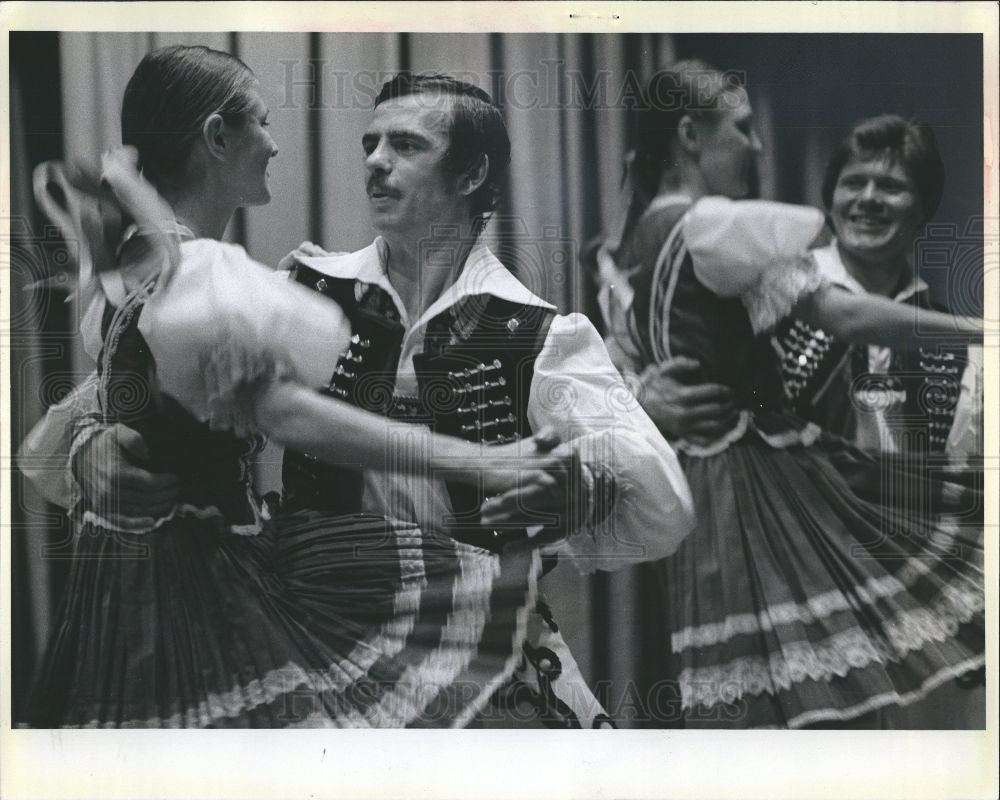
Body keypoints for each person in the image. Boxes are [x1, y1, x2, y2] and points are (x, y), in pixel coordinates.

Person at [22, 54, 695, 728]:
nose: (375, 161)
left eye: (405, 145)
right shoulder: (297, 287)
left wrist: (583, 492)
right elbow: (127, 384)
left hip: (471, 649)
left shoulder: (543, 335)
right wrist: (88, 448)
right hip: (312, 626)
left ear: (472, 173)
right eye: (370, 143)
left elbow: (662, 502)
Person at [596, 60, 984, 728]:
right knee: (783, 709)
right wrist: (640, 399)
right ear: (690, 136)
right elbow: (847, 316)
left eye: (890, 186)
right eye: (743, 129)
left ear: (923, 207)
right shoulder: (727, 241)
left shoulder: (631, 245)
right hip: (762, 498)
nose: (756, 146)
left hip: (739, 496)